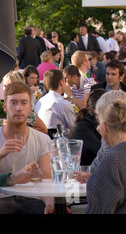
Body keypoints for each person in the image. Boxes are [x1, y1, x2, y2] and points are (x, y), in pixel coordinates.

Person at [0, 82, 53, 214]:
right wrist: (1, 154)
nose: (19, 108)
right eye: (13, 102)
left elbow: (46, 182)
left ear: (30, 107)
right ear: (5, 106)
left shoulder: (42, 139)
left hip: (32, 200)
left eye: (24, 103)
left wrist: (50, 204)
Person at [35, 69, 76, 137]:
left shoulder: (40, 102)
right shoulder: (63, 104)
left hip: (41, 140)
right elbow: (74, 127)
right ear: (61, 82)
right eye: (64, 80)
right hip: (58, 142)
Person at [71, 89, 106, 166]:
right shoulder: (84, 127)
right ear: (96, 110)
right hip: (84, 172)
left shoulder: (98, 123)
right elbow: (103, 152)